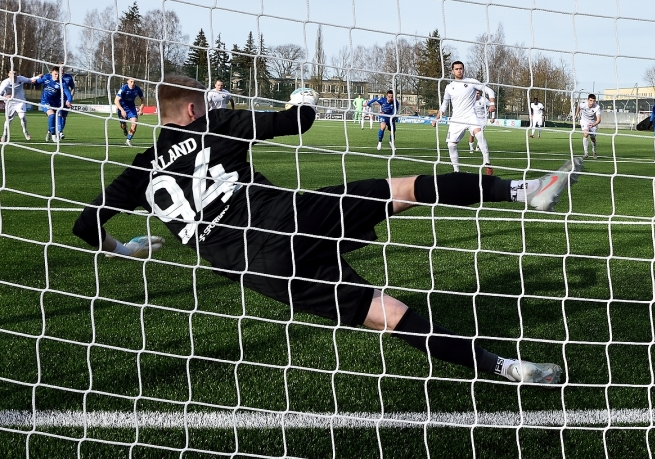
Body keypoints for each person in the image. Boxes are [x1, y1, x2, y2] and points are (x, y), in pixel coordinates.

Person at [71, 74, 585, 384]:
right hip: (283, 220)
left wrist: (127, 248)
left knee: (385, 313)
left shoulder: (139, 170)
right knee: (398, 190)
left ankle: (506, 369)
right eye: (203, 103)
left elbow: (85, 224)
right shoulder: (215, 124)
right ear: (190, 110)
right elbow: (299, 123)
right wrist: (303, 98)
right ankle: (524, 193)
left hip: (258, 270)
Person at [433, 62, 496, 173]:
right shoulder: (449, 87)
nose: (459, 71)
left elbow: (489, 90)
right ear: (452, 71)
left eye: (461, 68)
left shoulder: (471, 82)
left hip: (470, 116)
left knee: (479, 134)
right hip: (456, 119)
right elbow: (444, 105)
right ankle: (456, 171)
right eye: (456, 69)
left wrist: (492, 104)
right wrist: (436, 118)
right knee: (451, 145)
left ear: (463, 70)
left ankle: (487, 162)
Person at [31, 66, 72, 142]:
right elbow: (36, 83)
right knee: (52, 115)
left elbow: (68, 94)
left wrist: (69, 100)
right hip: (45, 101)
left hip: (56, 103)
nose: (57, 76)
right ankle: (54, 135)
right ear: (52, 73)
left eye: (59, 75)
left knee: (59, 117)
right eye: (55, 74)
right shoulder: (46, 78)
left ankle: (50, 132)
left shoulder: (63, 83)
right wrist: (34, 82)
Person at [1, 68, 32, 141]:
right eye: (12, 73)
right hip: (10, 103)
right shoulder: (5, 83)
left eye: (15, 73)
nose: (13, 75)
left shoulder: (20, 79)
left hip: (20, 102)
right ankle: (4, 135)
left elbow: (30, 80)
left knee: (22, 116)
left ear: (17, 74)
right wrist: (5, 98)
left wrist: (38, 77)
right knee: (8, 120)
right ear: (8, 74)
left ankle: (25, 131)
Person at [115, 78, 145, 146]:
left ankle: (128, 140)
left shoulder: (137, 89)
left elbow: (143, 99)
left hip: (131, 108)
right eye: (131, 82)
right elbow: (116, 100)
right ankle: (124, 129)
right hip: (122, 108)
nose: (132, 83)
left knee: (134, 124)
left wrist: (141, 109)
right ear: (127, 81)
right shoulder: (123, 88)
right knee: (123, 125)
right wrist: (121, 110)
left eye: (134, 82)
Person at [575, 93, 601, 159]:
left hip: (593, 123)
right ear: (588, 100)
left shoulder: (597, 107)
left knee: (593, 138)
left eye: (593, 101)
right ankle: (586, 153)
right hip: (584, 121)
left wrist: (593, 124)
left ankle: (594, 151)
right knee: (586, 134)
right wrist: (576, 115)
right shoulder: (583, 104)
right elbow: (579, 107)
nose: (592, 102)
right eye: (591, 100)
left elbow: (599, 120)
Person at [55, 66, 75, 139]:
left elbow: (73, 88)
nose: (62, 69)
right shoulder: (54, 76)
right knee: (59, 114)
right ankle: (60, 132)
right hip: (57, 99)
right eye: (60, 68)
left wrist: (70, 99)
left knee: (64, 117)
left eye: (63, 68)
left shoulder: (68, 77)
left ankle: (56, 130)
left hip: (66, 99)